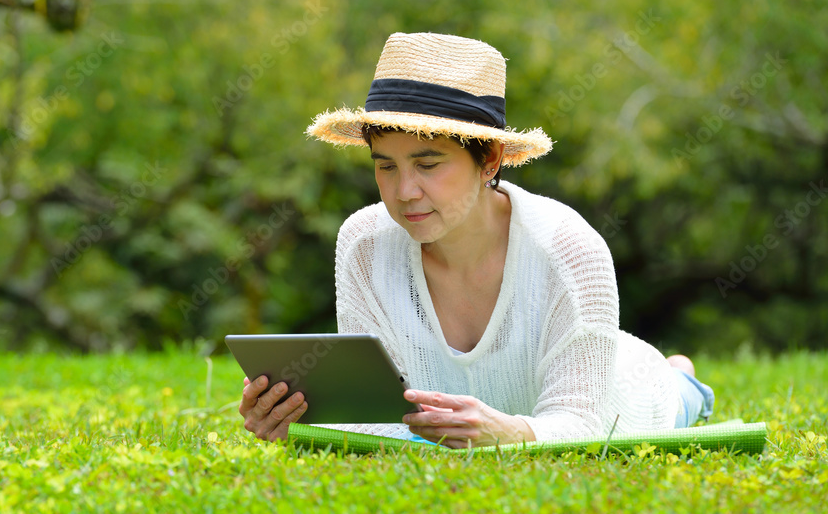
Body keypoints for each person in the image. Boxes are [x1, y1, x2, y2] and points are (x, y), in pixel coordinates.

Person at [238, 32, 714, 447]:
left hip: (619, 393)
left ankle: (681, 376)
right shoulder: (363, 244)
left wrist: (511, 433)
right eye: (385, 165)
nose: (404, 192)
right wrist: (299, 420)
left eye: (428, 165)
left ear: (489, 160)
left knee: (670, 393)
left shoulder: (570, 248)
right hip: (502, 409)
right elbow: (382, 416)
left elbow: (583, 423)